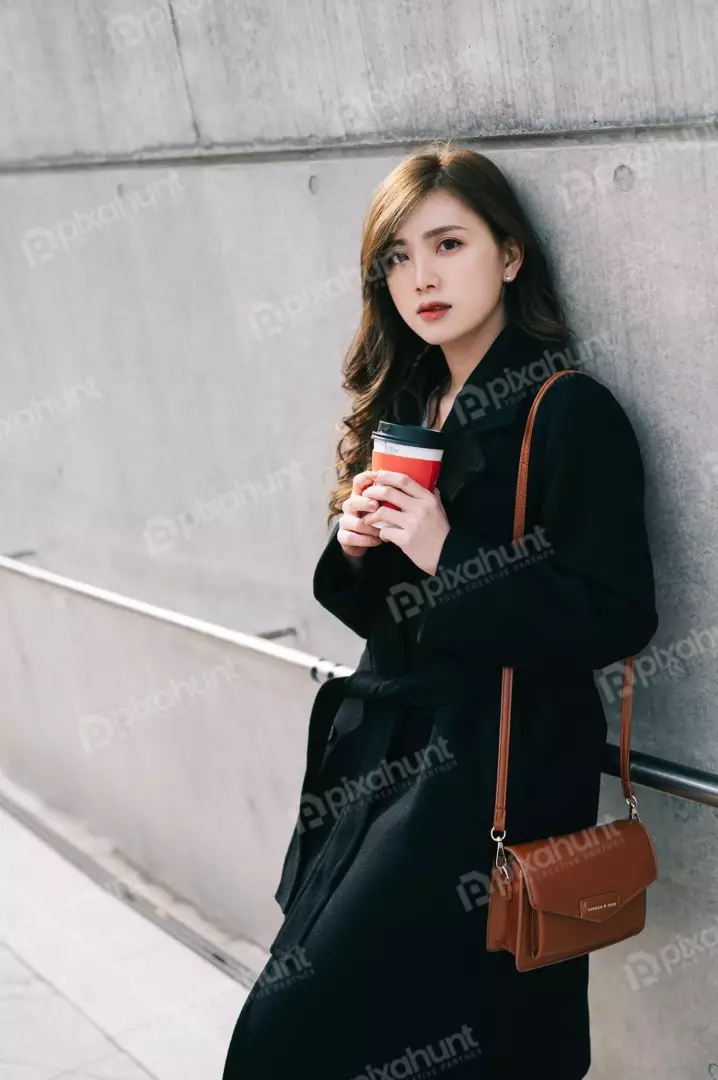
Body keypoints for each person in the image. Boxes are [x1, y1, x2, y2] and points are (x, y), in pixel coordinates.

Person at [222, 139, 659, 1079]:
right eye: (397, 257)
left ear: (510, 255)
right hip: (383, 760)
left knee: (309, 1036)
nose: (420, 277)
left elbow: (617, 613)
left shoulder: (568, 411)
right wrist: (355, 551)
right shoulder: (416, 402)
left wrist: (443, 551)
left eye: (448, 245)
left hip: (487, 773)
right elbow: (394, 613)